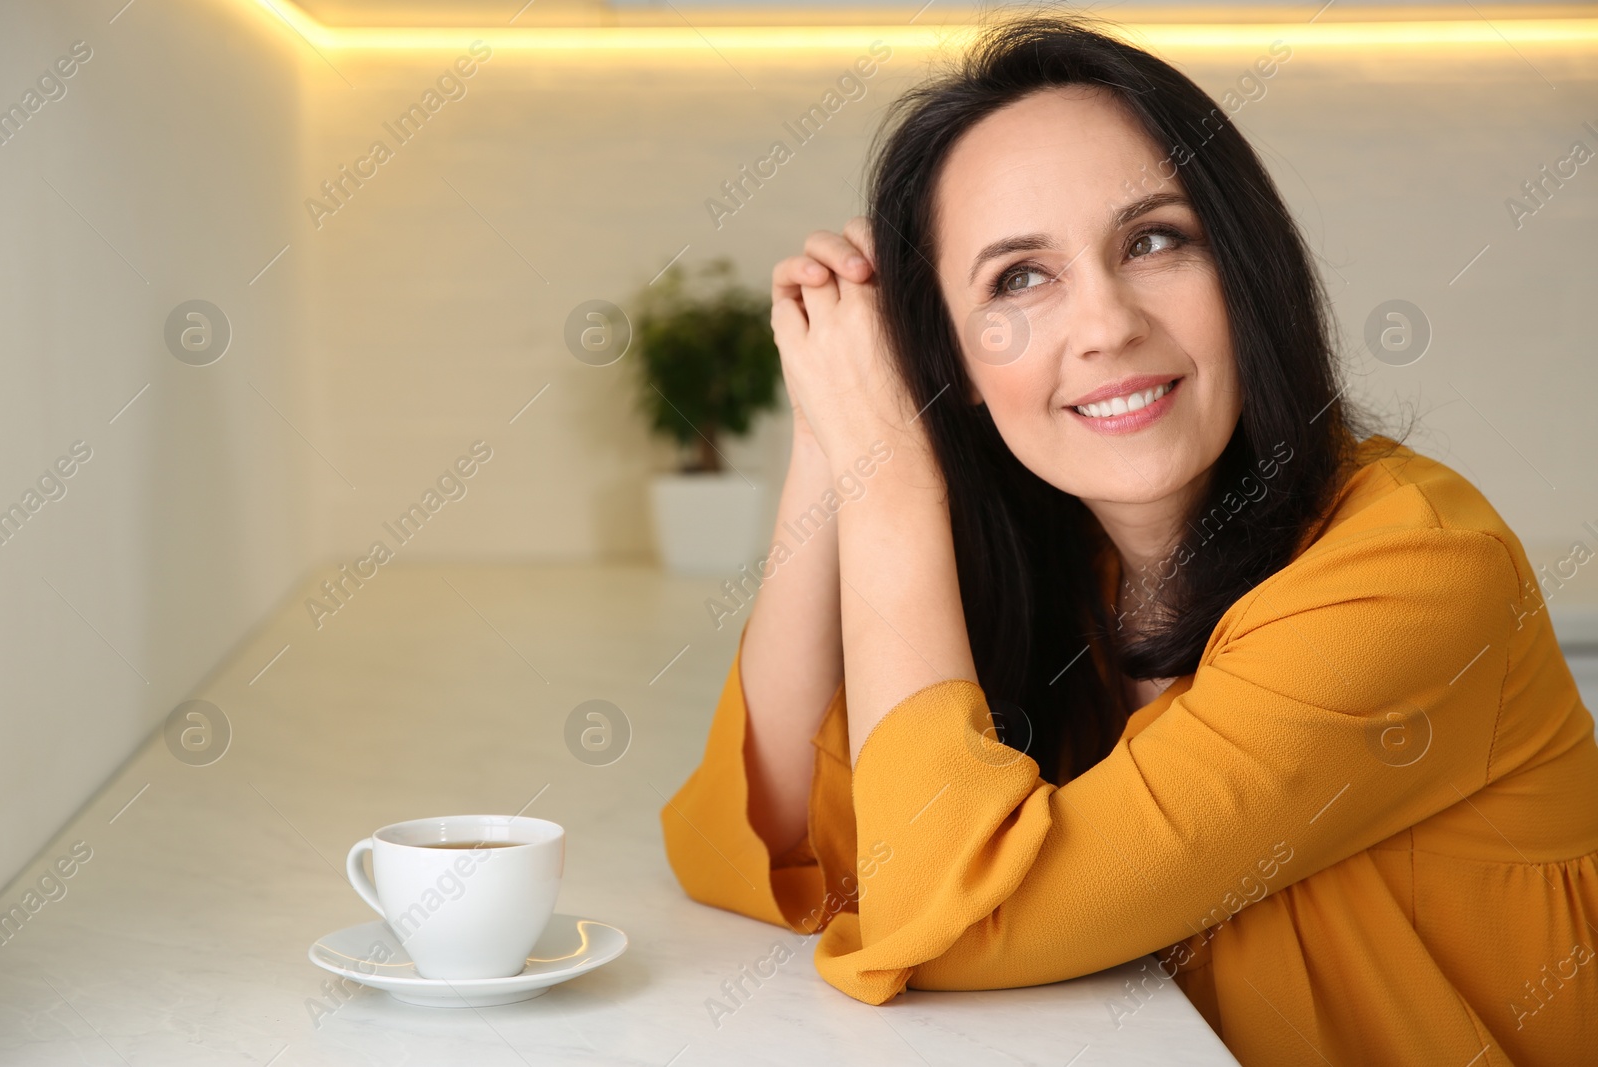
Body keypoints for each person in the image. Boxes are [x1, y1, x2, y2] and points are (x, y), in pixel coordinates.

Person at [659, 12, 1598, 1065]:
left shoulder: (1412, 574)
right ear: (952, 367)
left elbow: (950, 920)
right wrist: (837, 436)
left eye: (1154, 240)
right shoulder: (1069, 567)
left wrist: (891, 476)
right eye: (1019, 277)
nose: (1104, 323)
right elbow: (763, 839)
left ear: (1244, 275)